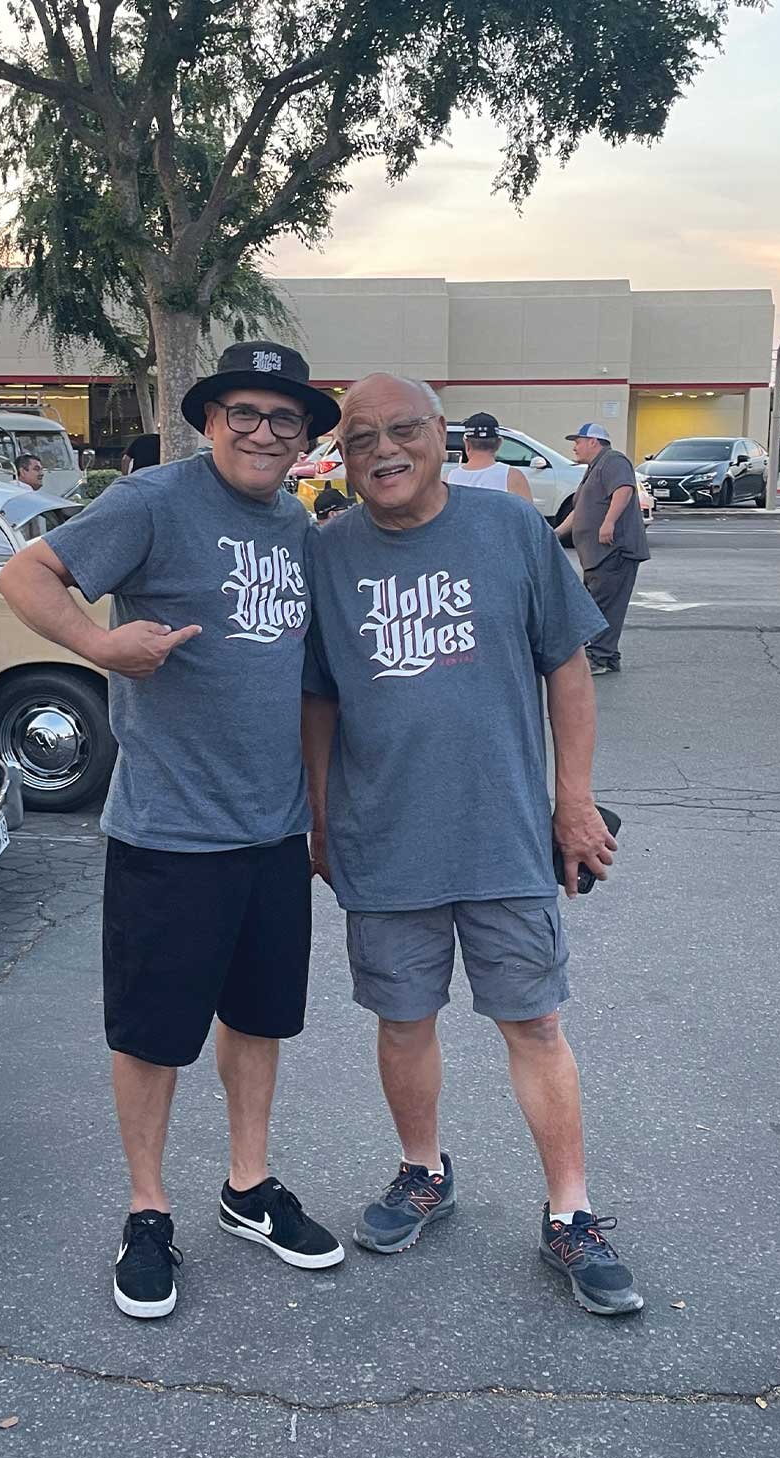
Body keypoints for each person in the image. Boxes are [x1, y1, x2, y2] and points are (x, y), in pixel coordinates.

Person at [0, 341, 345, 1320]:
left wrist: (319, 817)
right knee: (152, 1034)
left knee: (259, 1016)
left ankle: (247, 1187)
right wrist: (102, 644)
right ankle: (148, 1209)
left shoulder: (297, 526)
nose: (263, 431)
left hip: (271, 831)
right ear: (209, 419)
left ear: (306, 439)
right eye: (244, 411)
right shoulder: (154, 502)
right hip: (169, 831)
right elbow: (27, 576)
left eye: (285, 418)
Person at [301, 372, 644, 1316]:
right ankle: (423, 1172)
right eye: (362, 436)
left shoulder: (509, 533)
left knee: (534, 1022)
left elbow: (566, 669)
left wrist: (574, 804)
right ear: (344, 452)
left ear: (442, 437)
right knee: (403, 1020)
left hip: (503, 834)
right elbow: (319, 696)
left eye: (403, 430)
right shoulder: (329, 553)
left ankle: (570, 1213)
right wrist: (323, 819)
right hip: (384, 838)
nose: (383, 450)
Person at [554, 422, 649, 676]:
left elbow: (624, 490)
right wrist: (556, 533)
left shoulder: (613, 461)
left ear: (593, 442)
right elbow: (580, 510)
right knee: (597, 603)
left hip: (614, 551)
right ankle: (608, 655)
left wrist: (609, 522)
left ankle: (600, 657)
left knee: (605, 605)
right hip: (596, 555)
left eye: (578, 441)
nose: (575, 447)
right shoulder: (593, 469)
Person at [451, 411, 532, 500]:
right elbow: (528, 513)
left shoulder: (449, 480)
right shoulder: (513, 477)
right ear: (499, 443)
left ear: (466, 443)